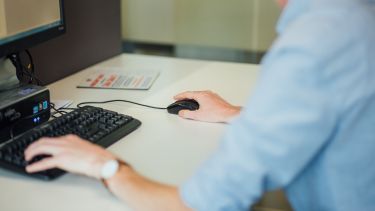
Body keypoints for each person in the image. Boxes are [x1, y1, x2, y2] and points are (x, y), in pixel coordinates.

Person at [24, 0, 375, 210]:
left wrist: (107, 167)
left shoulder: (313, 46)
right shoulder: (356, 18)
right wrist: (236, 114)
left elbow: (199, 205)